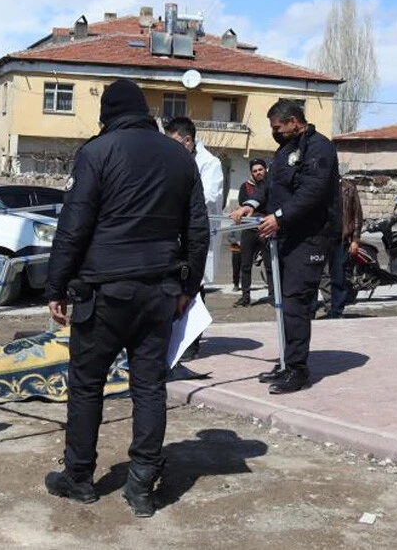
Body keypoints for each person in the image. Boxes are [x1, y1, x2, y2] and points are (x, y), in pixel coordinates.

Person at [42, 79, 209, 518]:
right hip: (159, 290)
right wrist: (187, 290)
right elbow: (198, 230)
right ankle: (141, 486)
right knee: (149, 388)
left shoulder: (97, 152)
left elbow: (73, 226)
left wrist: (55, 286)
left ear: (108, 114)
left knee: (86, 385)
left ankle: (78, 478)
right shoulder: (180, 156)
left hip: (103, 290)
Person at [243, 98, 340, 395]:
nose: (274, 132)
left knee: (296, 301)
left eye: (277, 127)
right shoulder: (285, 150)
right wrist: (251, 204)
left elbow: (313, 191)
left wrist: (280, 217)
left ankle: (298, 369)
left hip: (309, 236)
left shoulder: (319, 148)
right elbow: (270, 185)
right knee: (283, 302)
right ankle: (287, 360)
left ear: (294, 122)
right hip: (286, 237)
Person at [164, 116, 223, 362]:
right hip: (174, 233)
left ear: (188, 141)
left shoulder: (210, 163)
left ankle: (191, 342)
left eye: (175, 142)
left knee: (193, 287)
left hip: (197, 234)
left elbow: (209, 196)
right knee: (173, 286)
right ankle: (174, 338)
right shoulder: (173, 159)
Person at [230, 159, 271, 307]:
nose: (258, 172)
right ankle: (245, 297)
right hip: (249, 230)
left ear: (265, 169)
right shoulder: (245, 187)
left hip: (266, 229)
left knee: (269, 265)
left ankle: (273, 295)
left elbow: (270, 204)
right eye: (255, 171)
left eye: (260, 169)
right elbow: (244, 203)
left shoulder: (271, 185)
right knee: (245, 265)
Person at [326, 178, 364, 318]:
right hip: (321, 239)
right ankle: (310, 310)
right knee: (314, 276)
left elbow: (357, 216)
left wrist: (355, 240)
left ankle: (336, 311)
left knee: (339, 277)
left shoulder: (349, 187)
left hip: (340, 239)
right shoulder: (320, 184)